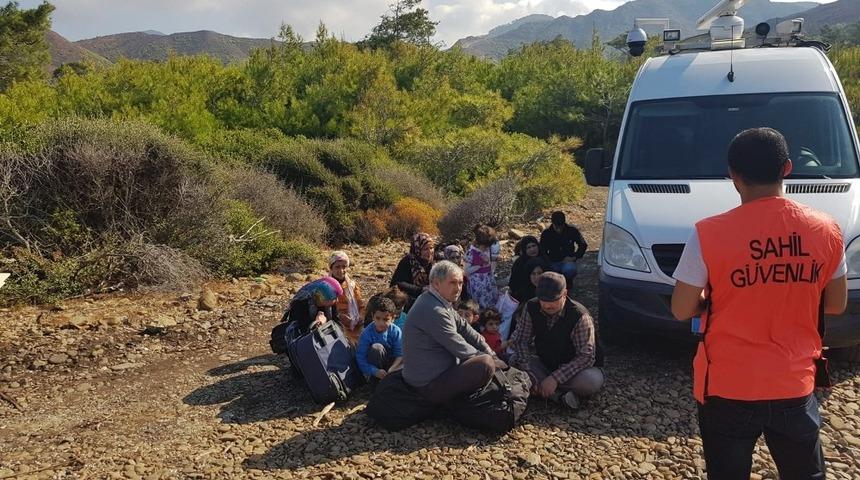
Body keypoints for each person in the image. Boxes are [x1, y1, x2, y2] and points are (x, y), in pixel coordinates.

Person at [671, 127, 847, 480]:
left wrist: (710, 298)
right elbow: (836, 304)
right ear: (787, 169)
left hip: (727, 385)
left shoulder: (708, 232)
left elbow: (680, 309)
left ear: (733, 175)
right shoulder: (827, 229)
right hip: (794, 382)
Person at [401, 260, 504, 404]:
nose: (458, 288)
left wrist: (489, 350)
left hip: (436, 374)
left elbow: (465, 328)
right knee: (485, 364)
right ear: (436, 284)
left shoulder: (439, 301)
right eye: (453, 283)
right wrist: (490, 359)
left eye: (461, 283)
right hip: (426, 385)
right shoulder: (433, 309)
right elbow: (459, 346)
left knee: (486, 359)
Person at [510, 272, 604, 410]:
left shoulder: (579, 316)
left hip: (576, 370)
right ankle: (558, 396)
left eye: (553, 300)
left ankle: (539, 388)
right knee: (514, 360)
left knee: (590, 382)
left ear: (565, 294)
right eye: (543, 300)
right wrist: (528, 370)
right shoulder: (531, 307)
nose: (547, 305)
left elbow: (586, 357)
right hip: (545, 362)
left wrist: (555, 378)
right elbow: (520, 340)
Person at [356, 297, 403, 382]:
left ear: (393, 318)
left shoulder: (396, 331)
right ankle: (375, 380)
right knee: (376, 348)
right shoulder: (366, 333)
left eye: (385, 319)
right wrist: (374, 371)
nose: (381, 323)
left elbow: (399, 355)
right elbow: (360, 357)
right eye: (378, 318)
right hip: (375, 368)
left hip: (392, 366)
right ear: (372, 316)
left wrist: (392, 369)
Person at [539, 211, 587, 288]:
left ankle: (568, 281)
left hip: (567, 261)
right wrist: (547, 262)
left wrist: (574, 257)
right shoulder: (546, 234)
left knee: (570, 269)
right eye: (556, 227)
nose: (559, 229)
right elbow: (542, 250)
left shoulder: (572, 231)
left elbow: (583, 245)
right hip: (553, 261)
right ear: (552, 223)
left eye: (561, 227)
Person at [328, 251, 366, 344]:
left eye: (344, 267)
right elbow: (325, 310)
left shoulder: (352, 285)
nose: (341, 271)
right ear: (331, 268)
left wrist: (360, 317)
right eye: (337, 267)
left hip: (355, 324)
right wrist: (340, 317)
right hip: (336, 324)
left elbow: (361, 305)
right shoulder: (326, 286)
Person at [390, 232, 436, 300]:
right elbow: (397, 283)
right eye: (425, 249)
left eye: (431, 248)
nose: (430, 251)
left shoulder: (433, 262)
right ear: (418, 249)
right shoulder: (408, 262)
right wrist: (420, 290)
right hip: (409, 300)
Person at [465, 224, 500, 309]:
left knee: (491, 296)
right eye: (485, 247)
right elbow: (466, 271)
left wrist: (494, 258)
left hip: (488, 278)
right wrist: (480, 265)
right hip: (478, 282)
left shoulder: (487, 248)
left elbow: (489, 259)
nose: (487, 249)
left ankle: (491, 314)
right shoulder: (472, 253)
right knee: (480, 301)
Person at [508, 235, 542, 302]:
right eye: (528, 247)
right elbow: (513, 283)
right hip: (525, 293)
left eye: (534, 246)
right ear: (524, 250)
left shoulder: (543, 258)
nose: (532, 249)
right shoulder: (519, 263)